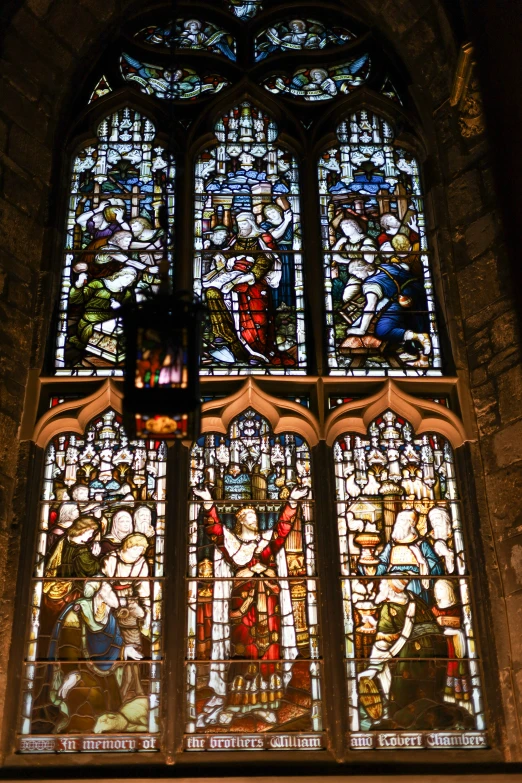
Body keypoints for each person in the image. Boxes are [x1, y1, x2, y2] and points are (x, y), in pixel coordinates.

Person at [192, 484, 309, 726]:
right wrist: (207, 502)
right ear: (240, 522)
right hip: (242, 608)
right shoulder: (232, 544)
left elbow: (282, 530)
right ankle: (235, 705)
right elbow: (214, 530)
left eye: (255, 516)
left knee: (269, 652)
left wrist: (293, 503)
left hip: (268, 604)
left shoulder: (266, 542)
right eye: (249, 517)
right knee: (242, 651)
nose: (254, 520)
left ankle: (268, 704)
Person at [205, 211, 294, 366]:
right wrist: (221, 257)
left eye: (244, 223)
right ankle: (224, 335)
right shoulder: (235, 240)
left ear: (252, 223)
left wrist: (249, 275)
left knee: (256, 319)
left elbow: (266, 259)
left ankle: (257, 352)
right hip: (233, 276)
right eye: (239, 224)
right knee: (212, 292)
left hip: (255, 283)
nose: (241, 227)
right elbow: (227, 255)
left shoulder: (263, 238)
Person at [358, 578, 447, 722]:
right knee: (430, 691)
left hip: (411, 656)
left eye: (384, 584)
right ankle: (433, 720)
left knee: (403, 694)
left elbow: (383, 642)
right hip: (437, 650)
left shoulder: (388, 609)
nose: (381, 587)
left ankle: (403, 723)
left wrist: (374, 666)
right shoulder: (414, 599)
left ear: (389, 588)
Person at [346, 233, 432, 366]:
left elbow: (370, 306)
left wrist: (361, 329)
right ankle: (423, 359)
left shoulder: (370, 284)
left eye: (356, 273)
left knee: (383, 329)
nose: (357, 277)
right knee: (416, 321)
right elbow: (405, 268)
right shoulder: (384, 267)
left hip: (404, 300)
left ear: (362, 269)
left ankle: (419, 337)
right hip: (419, 292)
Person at [375, 509, 444, 604]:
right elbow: (381, 564)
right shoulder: (391, 545)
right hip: (393, 588)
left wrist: (422, 560)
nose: (398, 523)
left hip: (415, 587)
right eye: (398, 520)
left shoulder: (421, 544)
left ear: (411, 523)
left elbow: (438, 569)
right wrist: (369, 566)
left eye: (402, 520)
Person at [68, 265, 138, 353]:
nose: (128, 281)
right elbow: (76, 299)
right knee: (96, 338)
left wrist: (120, 307)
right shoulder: (98, 284)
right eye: (127, 277)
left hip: (112, 321)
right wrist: (79, 284)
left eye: (131, 280)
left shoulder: (126, 293)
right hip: (91, 319)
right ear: (119, 274)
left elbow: (130, 312)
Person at [432, 579, 472, 711]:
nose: (438, 592)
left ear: (449, 591)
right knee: (448, 667)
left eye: (441, 589)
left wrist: (455, 631)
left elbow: (463, 624)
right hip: (441, 645)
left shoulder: (457, 608)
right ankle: (448, 695)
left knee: (457, 666)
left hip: (456, 643)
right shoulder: (434, 610)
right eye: (436, 589)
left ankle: (461, 694)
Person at [330, 216, 378, 307]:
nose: (345, 230)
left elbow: (369, 260)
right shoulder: (345, 242)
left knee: (371, 294)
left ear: (355, 226)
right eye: (343, 228)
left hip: (369, 272)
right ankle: (357, 312)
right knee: (346, 297)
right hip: (355, 274)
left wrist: (342, 260)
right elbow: (332, 256)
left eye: (347, 226)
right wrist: (339, 243)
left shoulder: (366, 240)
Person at [260, 203, 293, 307]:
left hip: (290, 253)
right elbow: (274, 235)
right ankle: (276, 304)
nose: (272, 215)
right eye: (269, 214)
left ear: (278, 211)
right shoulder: (265, 225)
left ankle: (290, 304)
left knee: (290, 277)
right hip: (276, 254)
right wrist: (286, 221)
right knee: (278, 278)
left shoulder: (294, 222)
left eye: (273, 212)